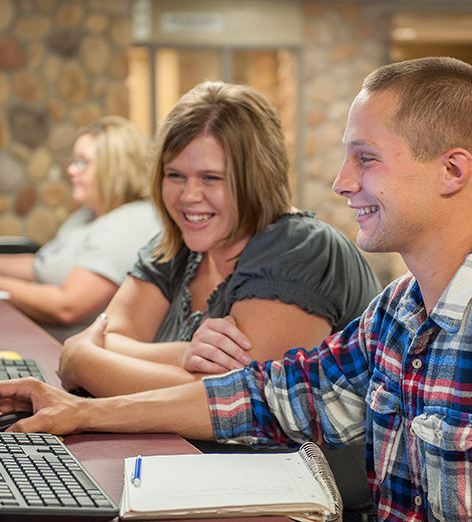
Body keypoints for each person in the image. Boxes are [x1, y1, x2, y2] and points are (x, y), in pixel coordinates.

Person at [3, 56, 472, 522]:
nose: (342, 182)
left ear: (452, 170)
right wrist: (80, 413)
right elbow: (264, 395)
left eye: (365, 158)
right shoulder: (398, 311)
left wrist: (89, 361)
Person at [55, 82, 381, 400]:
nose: (188, 196)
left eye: (210, 178)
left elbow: (229, 404)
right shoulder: (177, 242)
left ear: (257, 179)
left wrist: (83, 363)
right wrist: (183, 355)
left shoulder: (302, 249)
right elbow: (108, 337)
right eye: (175, 175)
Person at [0, 116, 161, 342]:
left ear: (115, 168)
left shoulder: (129, 224)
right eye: (73, 161)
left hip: (69, 353)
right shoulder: (86, 216)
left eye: (83, 162)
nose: (71, 170)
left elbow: (68, 306)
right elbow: (41, 264)